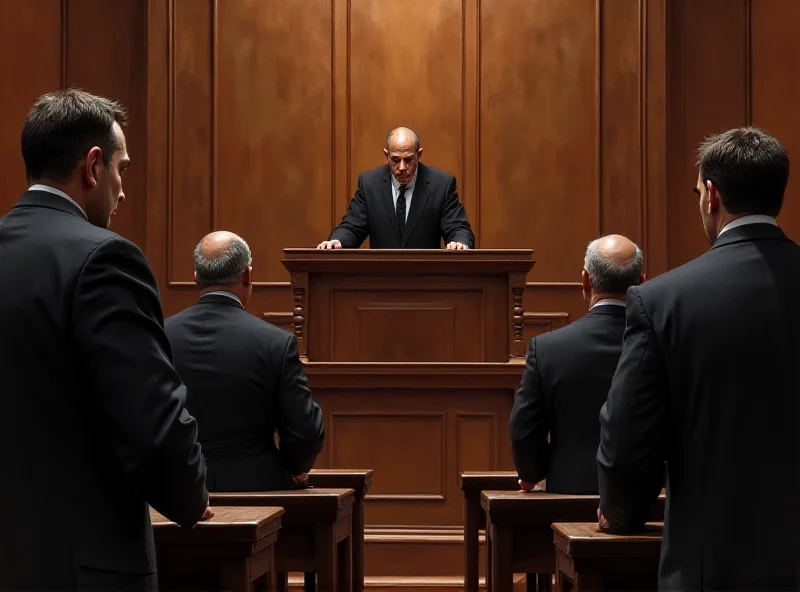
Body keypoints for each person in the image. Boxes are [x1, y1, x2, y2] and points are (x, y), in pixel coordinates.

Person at [0, 89, 210, 591]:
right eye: (122, 169)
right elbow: (154, 427)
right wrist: (190, 494)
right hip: (81, 568)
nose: (122, 190)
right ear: (93, 167)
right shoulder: (105, 260)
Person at [597, 127, 800, 590]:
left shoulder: (663, 300)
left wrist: (622, 513)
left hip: (713, 564)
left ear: (711, 195)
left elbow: (627, 436)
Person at [165, 231, 326, 491]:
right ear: (248, 275)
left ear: (196, 278)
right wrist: (295, 467)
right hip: (258, 492)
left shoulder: (160, 337)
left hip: (176, 491)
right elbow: (304, 431)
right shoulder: (276, 343)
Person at [509, 235, 644, 494]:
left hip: (567, 497)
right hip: (646, 500)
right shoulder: (661, 345)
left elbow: (523, 431)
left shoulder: (548, 348)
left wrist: (532, 474)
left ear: (585, 280)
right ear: (642, 283)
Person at [317, 127, 474, 249]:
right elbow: (352, 227)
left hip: (426, 281)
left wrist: (459, 242)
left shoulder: (441, 184)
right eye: (395, 160)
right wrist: (337, 241)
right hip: (382, 280)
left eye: (408, 160)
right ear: (386, 155)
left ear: (419, 155)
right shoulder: (369, 184)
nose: (402, 167)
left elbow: (458, 228)